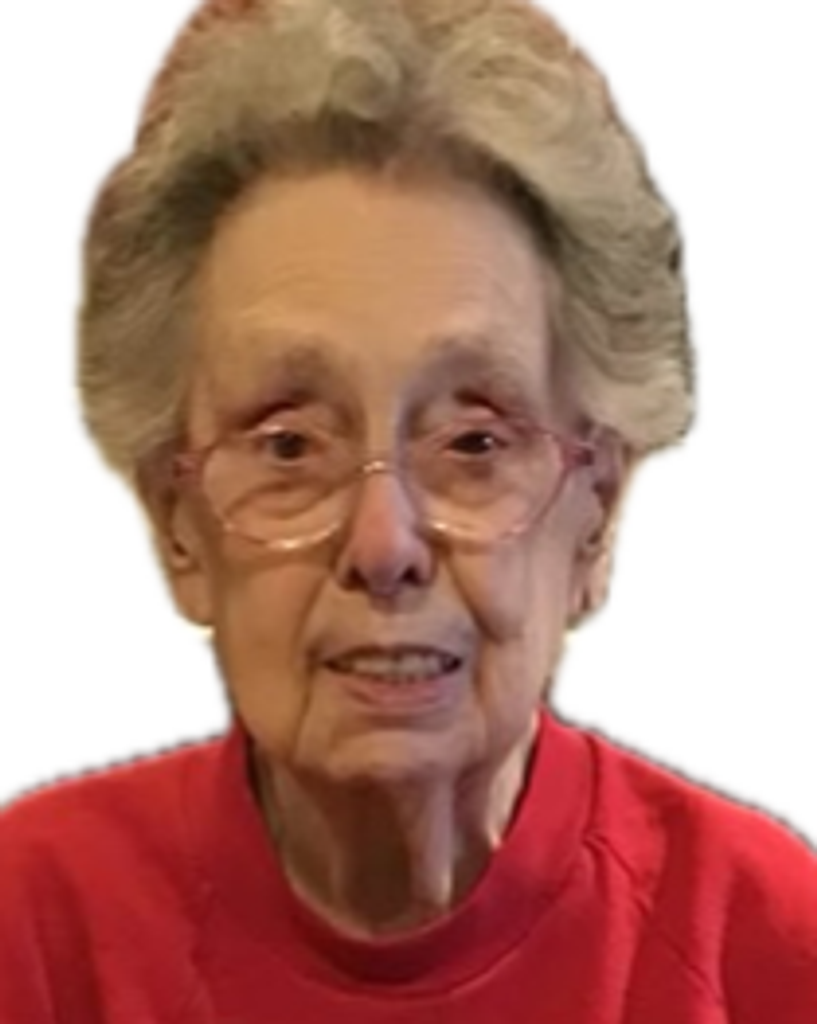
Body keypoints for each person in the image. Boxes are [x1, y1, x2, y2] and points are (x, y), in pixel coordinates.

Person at [1, 0, 815, 1020]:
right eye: (289, 445)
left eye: (474, 443)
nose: (383, 544)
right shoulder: (33, 928)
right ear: (178, 525)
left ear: (595, 517)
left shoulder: (761, 946)